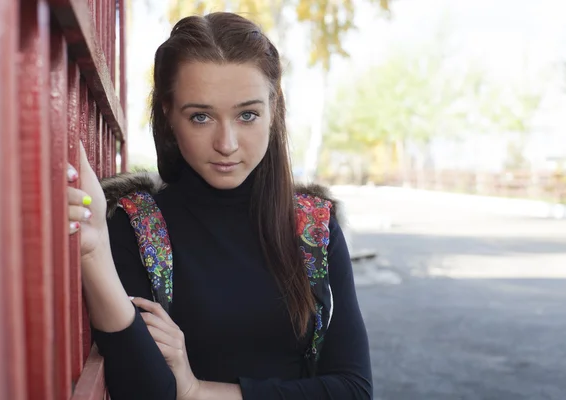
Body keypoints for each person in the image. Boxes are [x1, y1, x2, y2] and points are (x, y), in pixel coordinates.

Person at [67, 11, 372, 400]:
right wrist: (92, 252)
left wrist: (197, 391)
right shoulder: (138, 227)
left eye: (247, 115)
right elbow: (147, 391)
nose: (226, 143)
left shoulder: (314, 227)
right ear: (168, 114)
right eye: (201, 117)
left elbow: (354, 390)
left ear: (273, 109)